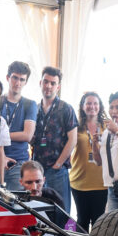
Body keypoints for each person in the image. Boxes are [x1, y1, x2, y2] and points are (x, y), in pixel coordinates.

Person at [31, 66, 78, 214]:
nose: (48, 86)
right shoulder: (35, 109)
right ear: (40, 83)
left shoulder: (66, 108)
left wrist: (58, 164)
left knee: (62, 213)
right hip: (37, 171)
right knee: (39, 211)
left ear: (58, 86)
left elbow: (73, 139)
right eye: (46, 82)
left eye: (53, 83)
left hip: (57, 170)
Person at [70, 91, 108, 231]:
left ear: (100, 106)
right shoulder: (75, 126)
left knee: (99, 221)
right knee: (81, 220)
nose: (92, 106)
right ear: (82, 106)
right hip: (79, 181)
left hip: (102, 183)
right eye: (89, 103)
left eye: (95, 103)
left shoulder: (107, 126)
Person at [1, 61, 38, 191]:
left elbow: (27, 135)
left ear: (26, 82)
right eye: (15, 78)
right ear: (8, 78)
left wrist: (1, 135)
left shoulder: (30, 104)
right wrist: (1, 157)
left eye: (22, 79)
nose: (18, 83)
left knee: (16, 205)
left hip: (18, 163)